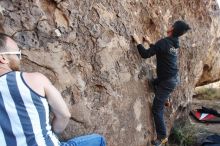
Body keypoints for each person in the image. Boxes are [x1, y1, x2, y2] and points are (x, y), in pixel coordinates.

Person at [0, 33, 106, 146]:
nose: (19, 58)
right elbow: (64, 114)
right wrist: (53, 132)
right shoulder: (35, 80)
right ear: (3, 58)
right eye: (17, 54)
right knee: (98, 140)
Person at [133, 21, 190, 146]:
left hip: (167, 81)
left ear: (172, 28)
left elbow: (145, 54)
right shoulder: (174, 43)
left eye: (172, 24)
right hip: (172, 78)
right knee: (153, 83)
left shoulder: (164, 42)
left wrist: (138, 42)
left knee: (156, 109)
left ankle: (162, 137)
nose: (169, 25)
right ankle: (166, 98)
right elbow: (160, 49)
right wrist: (149, 42)